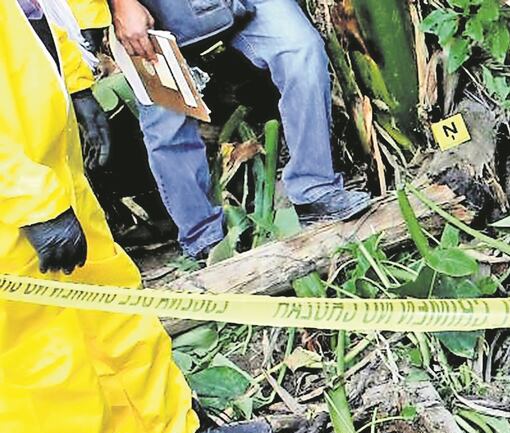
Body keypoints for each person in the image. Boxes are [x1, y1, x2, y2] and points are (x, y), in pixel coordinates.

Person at [1, 0, 267, 433]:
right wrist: (29, 201)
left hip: (49, 168)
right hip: (12, 201)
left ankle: (171, 432)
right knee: (41, 365)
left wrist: (75, 84)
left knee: (116, 308)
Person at [107, 0, 371, 259]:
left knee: (301, 50)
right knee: (167, 124)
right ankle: (202, 236)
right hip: (151, 12)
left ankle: (315, 189)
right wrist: (122, 4)